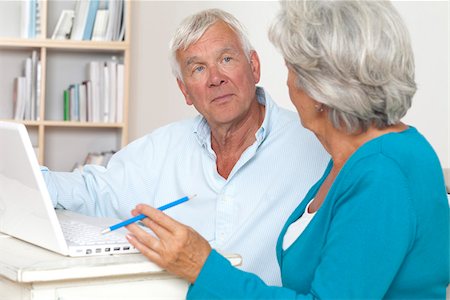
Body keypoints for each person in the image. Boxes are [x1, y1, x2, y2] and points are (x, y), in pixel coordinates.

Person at [125, 1, 449, 298]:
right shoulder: (349, 157)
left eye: (292, 69)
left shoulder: (382, 171)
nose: (289, 83)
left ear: (321, 88)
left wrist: (203, 266)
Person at [41, 9, 329, 285]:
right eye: (198, 68)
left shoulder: (317, 143)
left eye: (227, 59)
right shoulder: (162, 148)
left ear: (254, 66)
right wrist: (26, 179)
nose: (216, 78)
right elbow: (93, 191)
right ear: (184, 90)